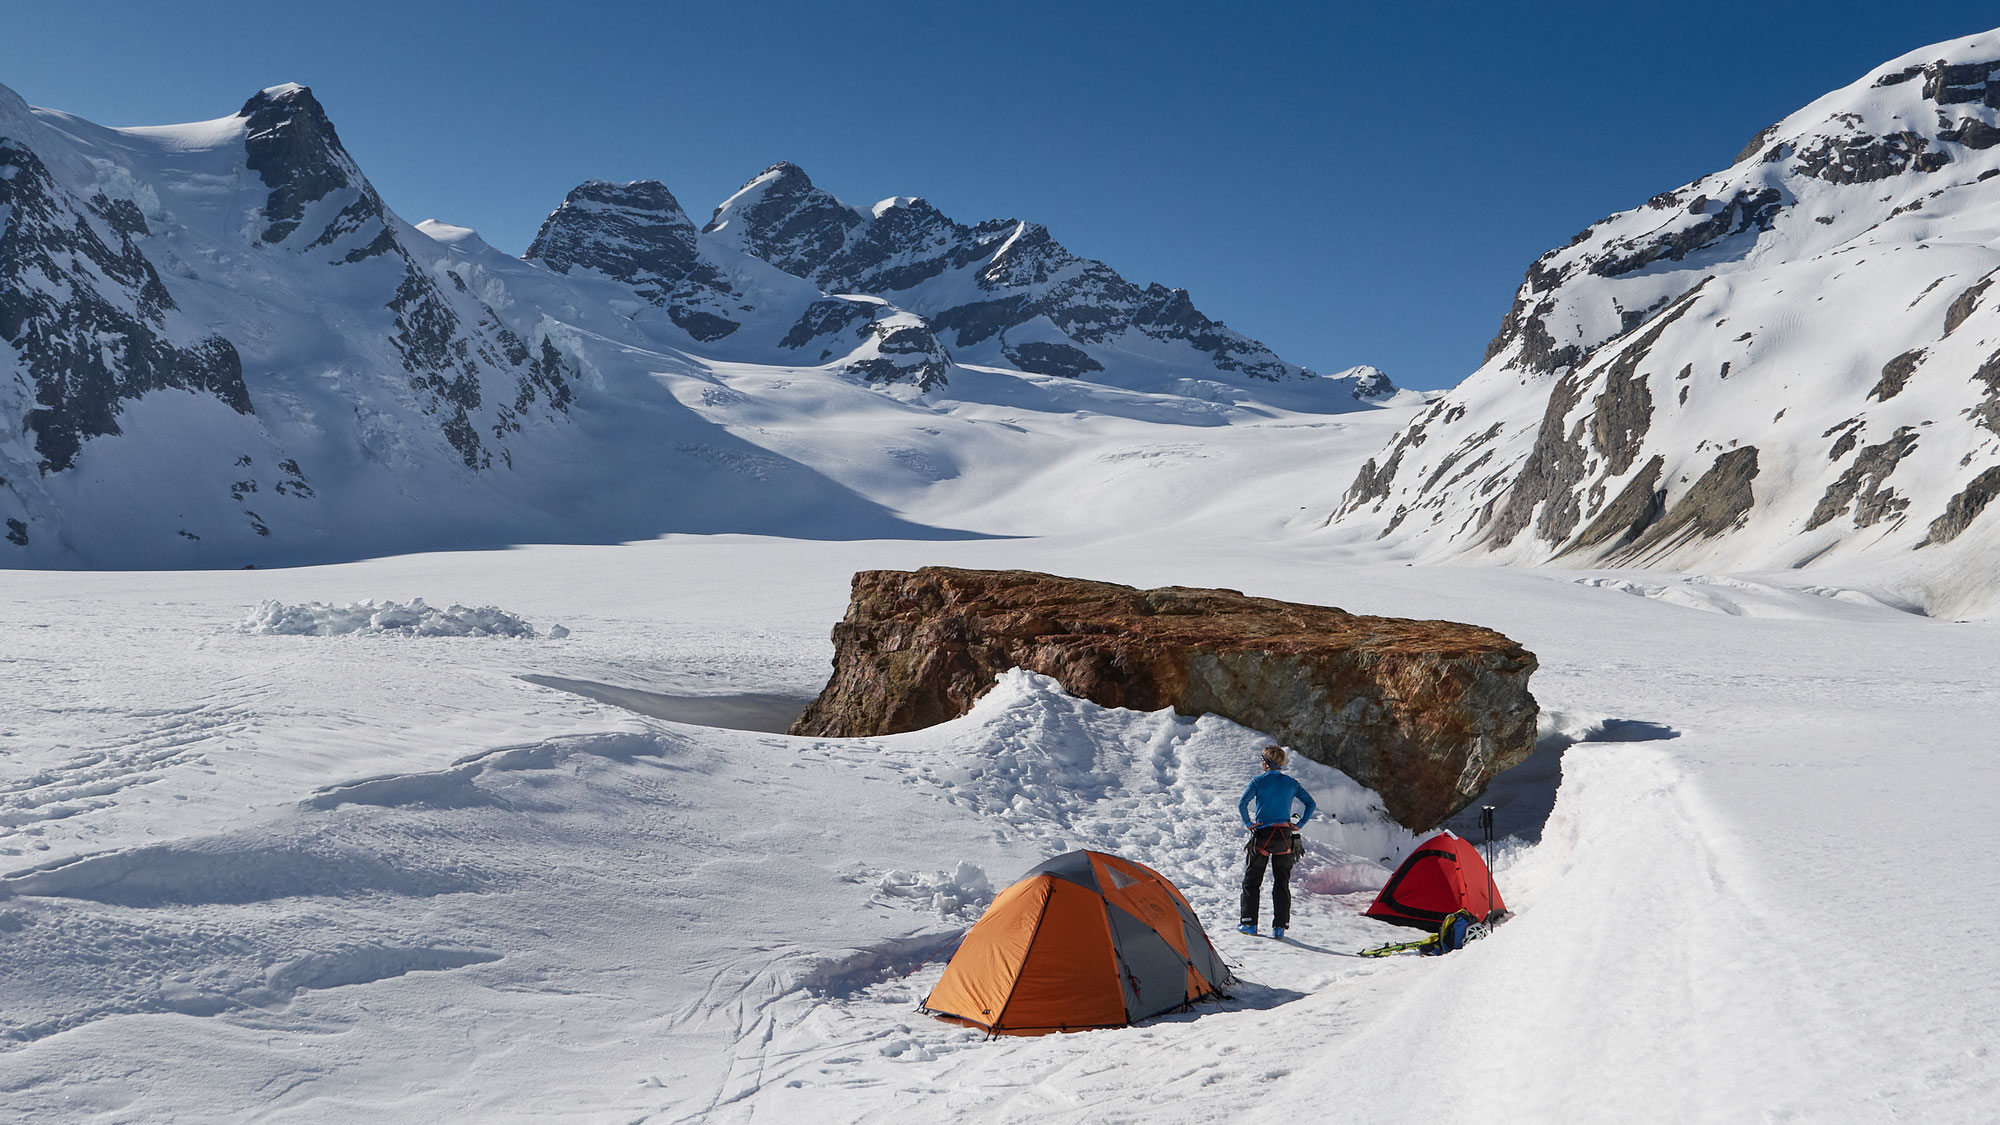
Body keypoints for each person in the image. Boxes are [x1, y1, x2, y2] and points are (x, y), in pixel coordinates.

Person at [1237, 744, 1316, 939]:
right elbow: (1310, 804)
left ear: (1266, 763)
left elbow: (1242, 803)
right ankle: (1279, 927)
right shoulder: (1291, 783)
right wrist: (1300, 824)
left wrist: (1249, 823)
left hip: (1263, 834)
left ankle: (1249, 924)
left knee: (1252, 881)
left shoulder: (1257, 781)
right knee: (1282, 882)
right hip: (1284, 836)